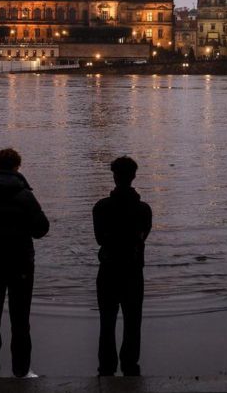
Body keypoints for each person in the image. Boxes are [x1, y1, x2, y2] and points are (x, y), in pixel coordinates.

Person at [0, 148, 50, 378]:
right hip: (21, 262)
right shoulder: (25, 195)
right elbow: (42, 228)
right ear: (17, 167)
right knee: (21, 318)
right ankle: (21, 371)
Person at [92, 156, 152, 377]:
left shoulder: (100, 208)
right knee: (133, 321)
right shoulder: (144, 210)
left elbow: (99, 239)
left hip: (108, 269)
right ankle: (130, 365)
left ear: (114, 176)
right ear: (134, 176)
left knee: (106, 322)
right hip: (133, 271)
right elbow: (142, 237)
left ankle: (106, 366)